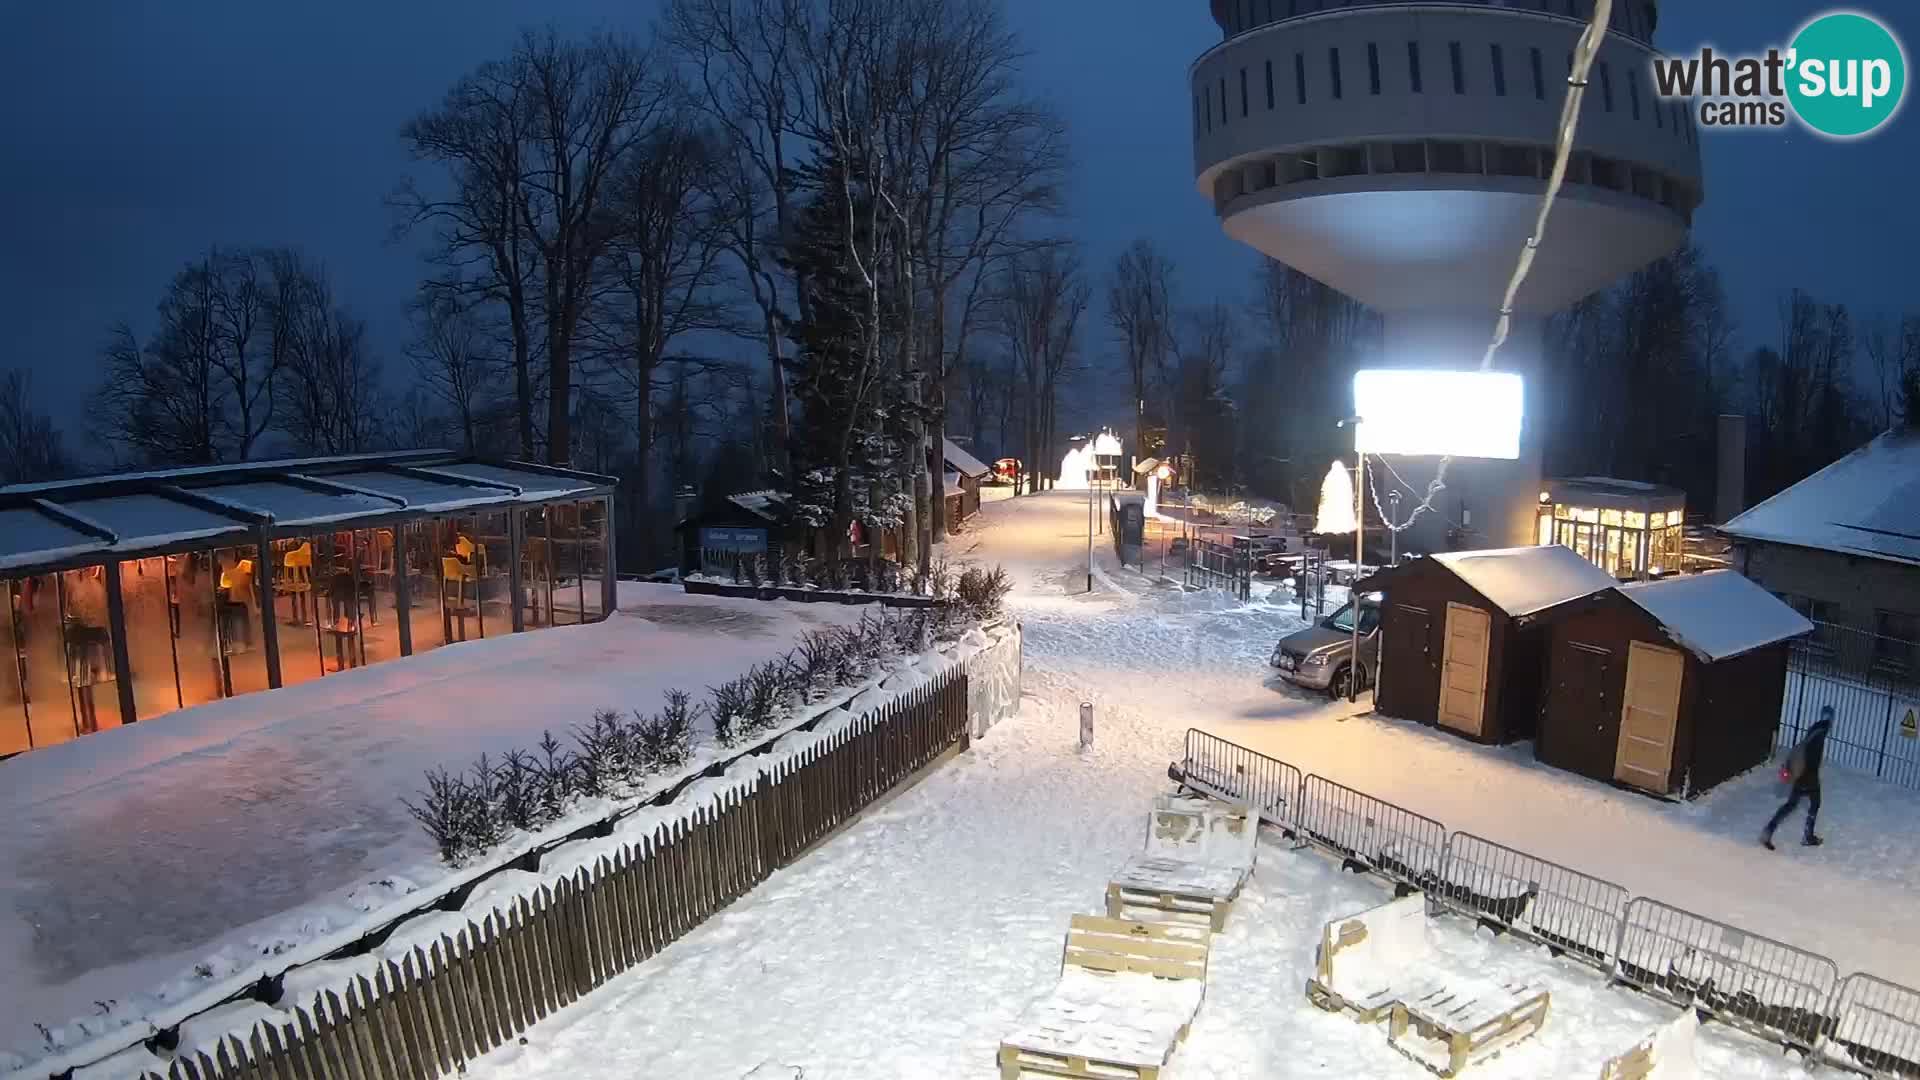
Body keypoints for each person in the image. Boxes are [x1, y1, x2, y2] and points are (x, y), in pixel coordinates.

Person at [1763, 706, 1832, 850]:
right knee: (1815, 804)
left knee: (1790, 806)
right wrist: (1811, 777)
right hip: (1809, 779)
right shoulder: (1820, 736)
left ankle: (1768, 830)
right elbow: (1812, 759)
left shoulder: (1812, 731)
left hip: (1799, 778)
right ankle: (1808, 836)